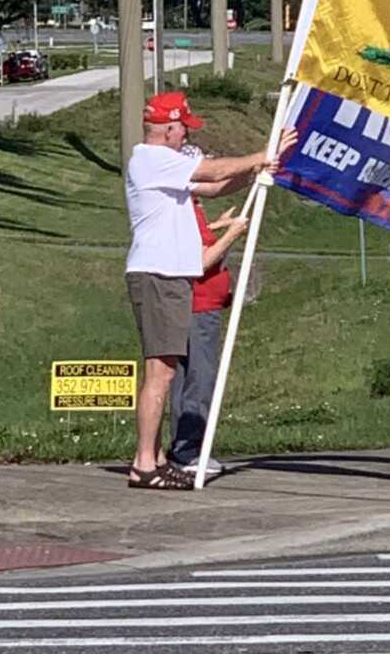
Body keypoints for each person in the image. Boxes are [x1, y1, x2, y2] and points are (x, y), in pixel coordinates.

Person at [125, 91, 297, 490]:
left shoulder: (166, 167)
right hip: (158, 274)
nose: (186, 135)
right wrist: (261, 153)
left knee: (164, 374)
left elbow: (215, 186)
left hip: (169, 275)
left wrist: (255, 173)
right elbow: (213, 170)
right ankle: (144, 463)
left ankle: (153, 459)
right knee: (160, 375)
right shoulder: (152, 158)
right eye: (183, 127)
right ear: (168, 129)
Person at [167, 192, 247, 477]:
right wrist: (232, 235)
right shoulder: (185, 207)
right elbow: (201, 262)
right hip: (199, 307)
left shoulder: (191, 209)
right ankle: (187, 449)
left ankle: (182, 446)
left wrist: (219, 229)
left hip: (197, 304)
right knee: (200, 377)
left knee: (186, 376)